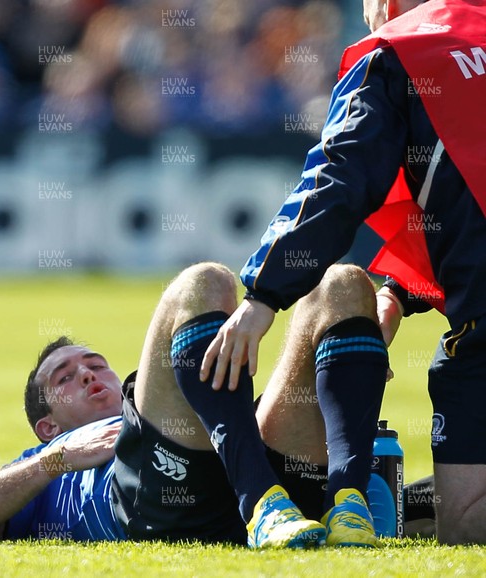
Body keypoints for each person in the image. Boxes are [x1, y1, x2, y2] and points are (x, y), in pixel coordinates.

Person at [201, 0, 486, 545]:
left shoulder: (399, 52)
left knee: (466, 524)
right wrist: (402, 291)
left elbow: (339, 178)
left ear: (387, 5)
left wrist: (262, 295)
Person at [0, 261, 389, 547]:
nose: (86, 373)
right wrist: (54, 462)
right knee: (202, 282)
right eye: (64, 378)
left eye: (94, 364)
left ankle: (346, 504)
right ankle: (262, 504)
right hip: (164, 503)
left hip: (254, 466)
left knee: (344, 284)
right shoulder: (42, 466)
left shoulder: (151, 403)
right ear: (47, 427)